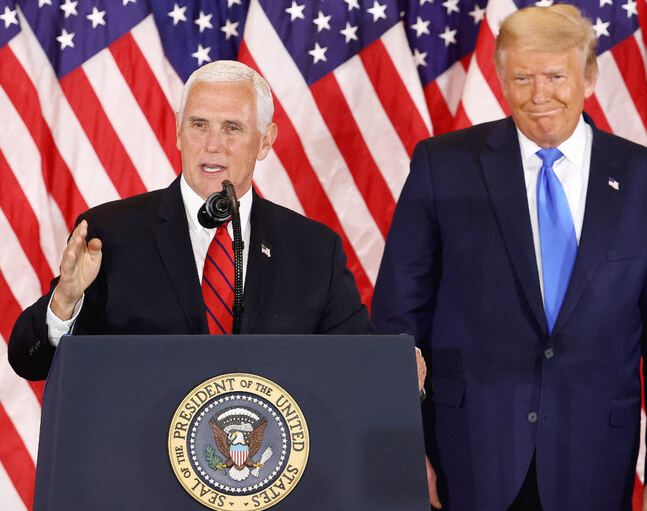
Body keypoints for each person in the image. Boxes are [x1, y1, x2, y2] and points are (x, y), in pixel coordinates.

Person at [372, 4, 647, 511]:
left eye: (555, 76)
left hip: (591, 472)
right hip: (465, 468)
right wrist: (405, 449)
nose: (538, 93)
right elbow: (397, 322)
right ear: (501, 78)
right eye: (522, 77)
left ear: (589, 78)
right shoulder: (442, 165)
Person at [9, 60, 375, 381]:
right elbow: (30, 362)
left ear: (265, 141)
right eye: (199, 124)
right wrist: (63, 303)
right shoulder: (110, 234)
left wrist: (406, 369)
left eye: (232, 128)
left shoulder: (312, 249)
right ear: (180, 132)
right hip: (140, 454)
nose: (213, 144)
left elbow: (360, 365)